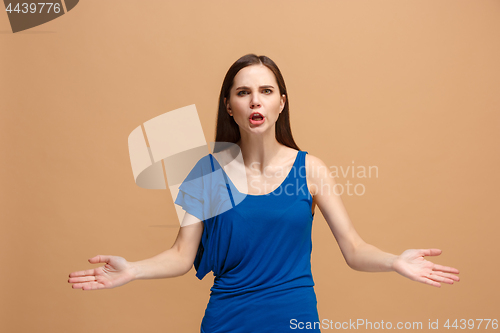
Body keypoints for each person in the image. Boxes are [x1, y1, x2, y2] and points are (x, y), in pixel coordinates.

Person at [68, 54, 460, 332]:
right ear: (229, 106)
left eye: (266, 90)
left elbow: (354, 249)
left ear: (280, 103)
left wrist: (395, 261)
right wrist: (132, 269)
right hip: (227, 321)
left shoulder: (310, 170)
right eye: (243, 92)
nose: (256, 99)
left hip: (295, 320)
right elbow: (180, 256)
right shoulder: (207, 174)